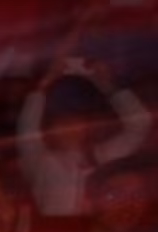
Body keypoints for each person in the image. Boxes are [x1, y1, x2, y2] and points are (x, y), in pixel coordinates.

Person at [17, 60, 151, 218]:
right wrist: (43, 86)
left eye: (76, 121)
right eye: (62, 122)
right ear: (49, 129)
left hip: (96, 231)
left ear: (87, 127)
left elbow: (140, 125)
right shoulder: (41, 162)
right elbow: (27, 130)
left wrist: (108, 87)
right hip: (56, 231)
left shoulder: (104, 156)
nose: (70, 128)